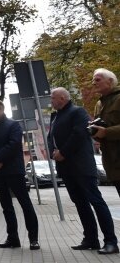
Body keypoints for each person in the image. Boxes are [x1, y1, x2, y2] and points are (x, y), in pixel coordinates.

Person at [47, 87, 118, 254]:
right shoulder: (56, 116)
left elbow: (79, 134)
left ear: (63, 98)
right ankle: (91, 239)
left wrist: (62, 152)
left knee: (96, 202)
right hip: (66, 168)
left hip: (81, 166)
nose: (51, 100)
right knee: (80, 204)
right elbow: (51, 138)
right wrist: (53, 152)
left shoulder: (77, 112)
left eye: (53, 97)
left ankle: (111, 241)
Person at [0, 99, 40, 250]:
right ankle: (12, 238)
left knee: (25, 203)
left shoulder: (13, 125)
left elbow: (13, 145)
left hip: (13, 170)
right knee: (6, 206)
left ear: (0, 108)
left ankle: (33, 239)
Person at [90, 68, 120, 197]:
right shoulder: (99, 104)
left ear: (110, 81)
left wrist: (106, 132)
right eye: (93, 80)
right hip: (112, 162)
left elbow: (106, 132)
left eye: (97, 79)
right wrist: (95, 132)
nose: (93, 83)